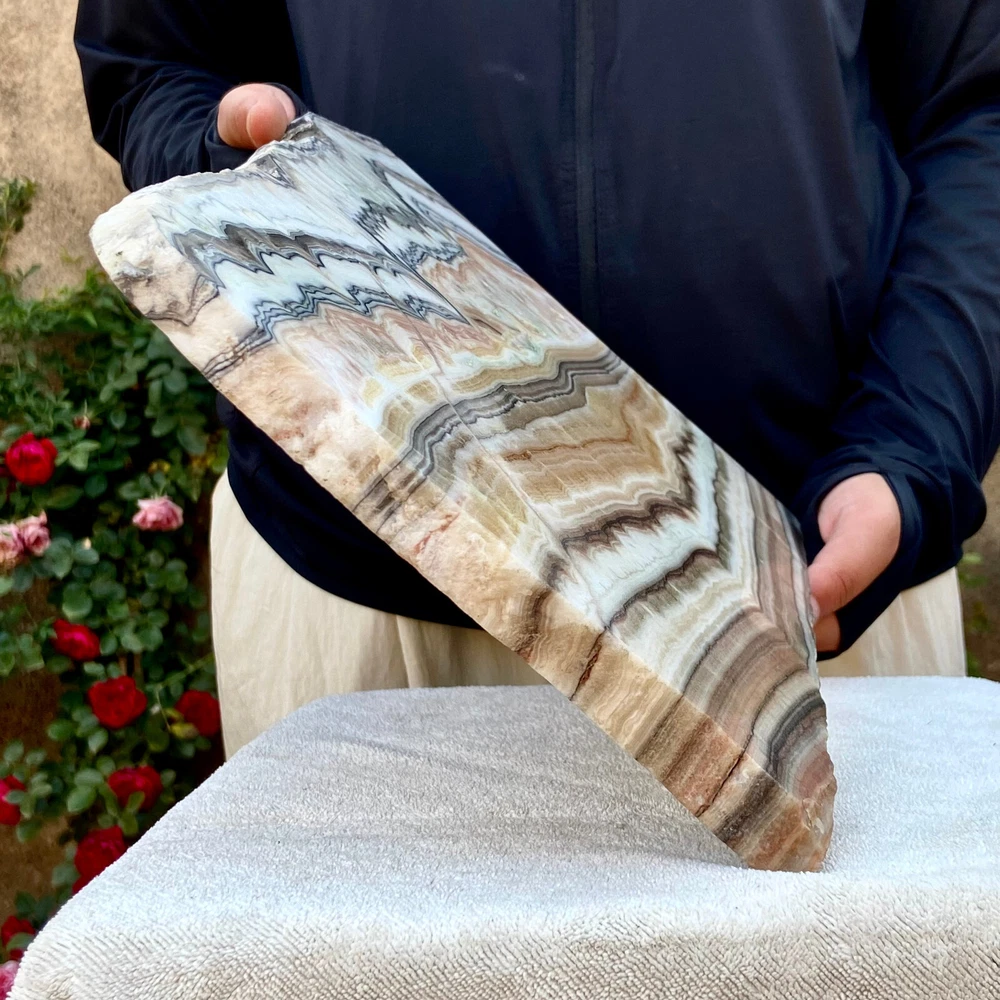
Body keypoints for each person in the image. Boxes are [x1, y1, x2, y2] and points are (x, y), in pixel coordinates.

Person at [74, 0, 1000, 759]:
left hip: (800, 589)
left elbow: (979, 101)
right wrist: (234, 172)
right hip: (371, 606)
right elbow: (155, 63)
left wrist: (912, 443)